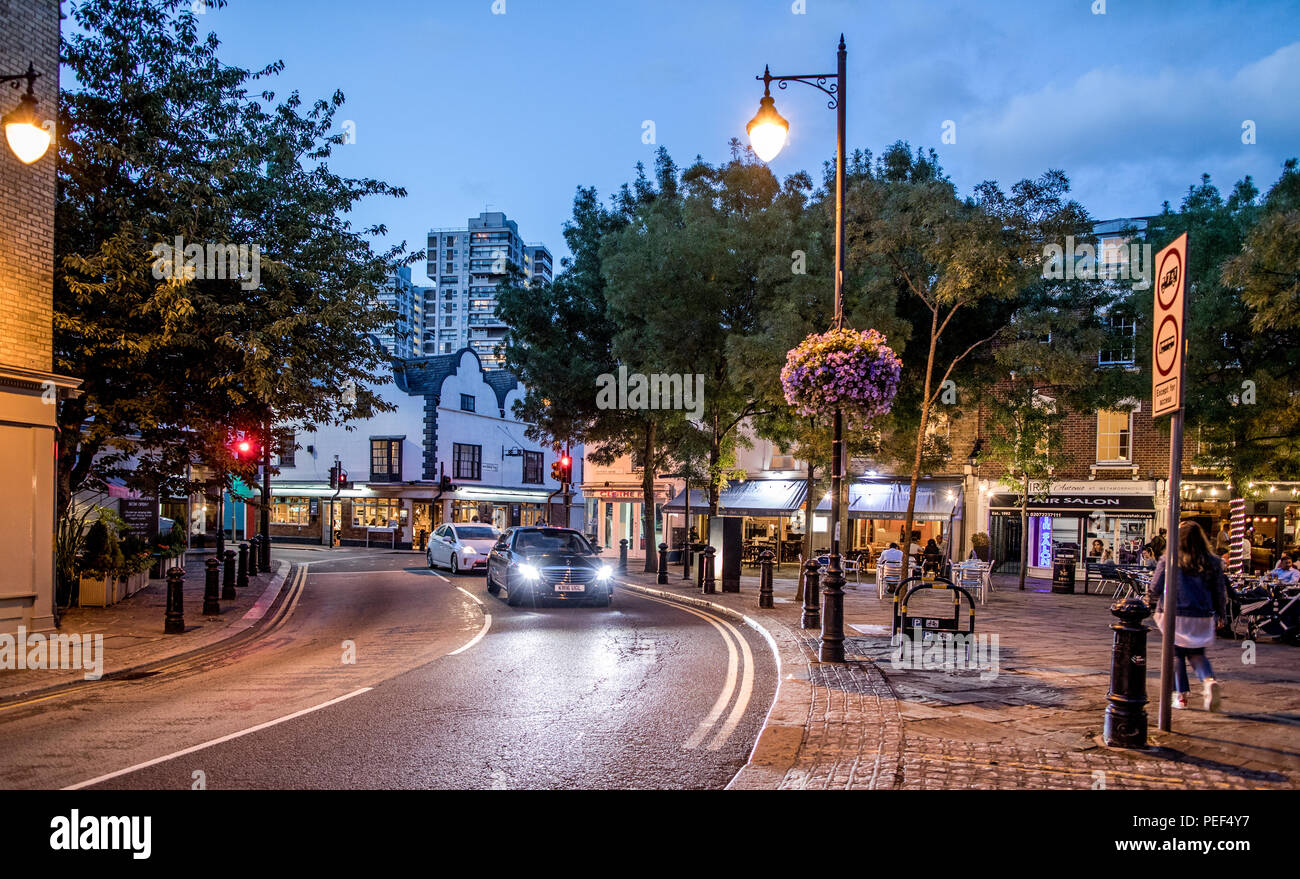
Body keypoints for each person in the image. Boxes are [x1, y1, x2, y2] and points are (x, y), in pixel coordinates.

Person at [1147, 521, 1227, 712]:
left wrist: (1149, 600)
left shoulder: (1169, 559)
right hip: (1202, 614)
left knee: (1176, 654)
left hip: (1174, 613)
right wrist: (1221, 614)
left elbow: (1155, 587)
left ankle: (1180, 696)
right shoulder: (1213, 561)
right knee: (1197, 654)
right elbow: (1219, 591)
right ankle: (1209, 681)